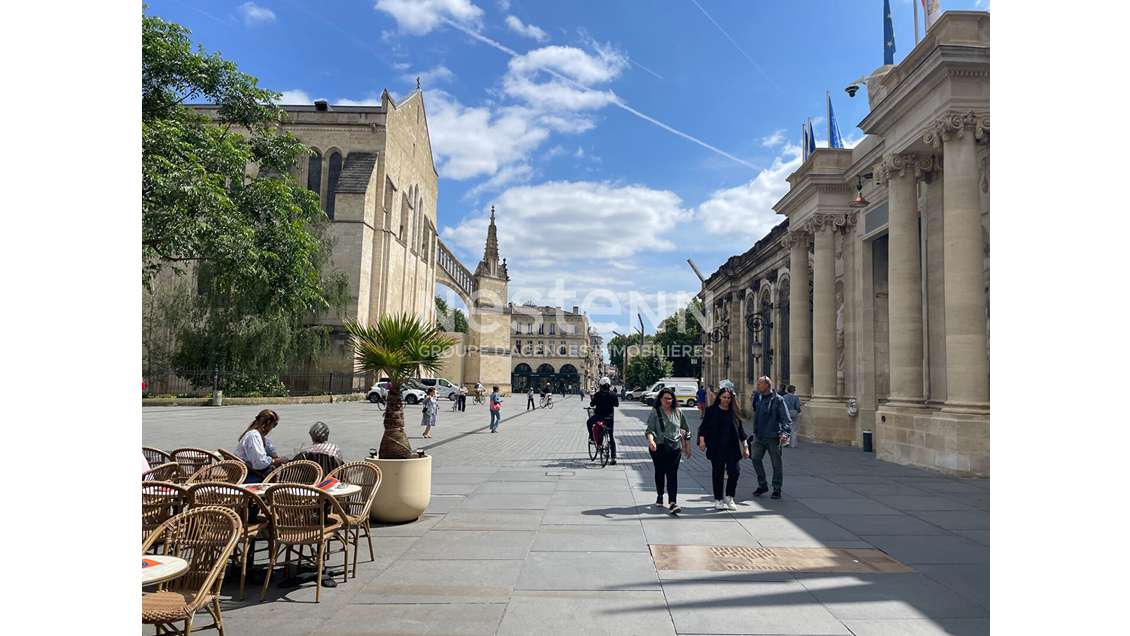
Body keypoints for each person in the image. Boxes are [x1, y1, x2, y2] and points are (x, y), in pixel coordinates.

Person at [697, 386, 750, 510]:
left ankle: (729, 496)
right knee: (718, 473)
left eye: (729, 398)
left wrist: (746, 447)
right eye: (724, 397)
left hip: (732, 448)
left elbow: (741, 432)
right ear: (719, 398)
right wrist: (702, 441)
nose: (726, 400)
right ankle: (718, 499)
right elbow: (703, 428)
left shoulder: (734, 413)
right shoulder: (711, 411)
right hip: (716, 447)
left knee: (735, 472)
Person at [645, 387, 691, 515]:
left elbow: (686, 429)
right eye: (665, 398)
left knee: (672, 474)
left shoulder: (678, 412)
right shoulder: (655, 412)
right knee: (660, 472)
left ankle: (672, 502)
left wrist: (688, 446)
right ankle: (660, 495)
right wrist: (651, 441)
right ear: (660, 399)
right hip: (658, 447)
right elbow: (650, 430)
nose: (668, 401)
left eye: (670, 398)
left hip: (675, 448)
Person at [749, 376, 792, 499]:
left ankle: (777, 488)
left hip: (773, 437)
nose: (757, 386)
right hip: (760, 436)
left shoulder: (778, 400)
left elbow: (786, 419)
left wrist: (785, 433)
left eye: (760, 384)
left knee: (776, 464)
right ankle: (762, 485)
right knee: (755, 458)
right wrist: (755, 432)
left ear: (767, 385)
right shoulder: (759, 398)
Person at [236, 409, 285, 483]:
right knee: (286, 473)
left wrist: (276, 458)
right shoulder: (253, 435)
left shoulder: (261, 437)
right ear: (269, 423)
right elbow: (259, 463)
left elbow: (272, 452)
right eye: (274, 425)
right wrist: (275, 461)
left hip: (250, 471)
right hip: (248, 475)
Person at [588, 377, 620, 465]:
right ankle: (613, 457)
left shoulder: (598, 394)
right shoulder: (613, 394)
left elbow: (592, 404)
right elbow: (616, 405)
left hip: (599, 417)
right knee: (611, 436)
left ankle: (592, 438)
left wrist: (593, 398)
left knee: (589, 422)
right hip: (609, 418)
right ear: (609, 385)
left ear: (600, 385)